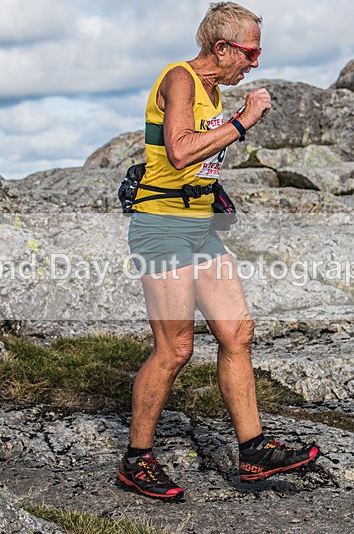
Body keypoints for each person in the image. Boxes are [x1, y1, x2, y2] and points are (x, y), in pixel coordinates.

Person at [116, 2, 319, 501]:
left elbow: (191, 162)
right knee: (176, 349)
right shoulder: (181, 78)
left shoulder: (210, 90)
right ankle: (136, 460)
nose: (255, 63)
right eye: (250, 52)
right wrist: (244, 121)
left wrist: (212, 190)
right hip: (161, 227)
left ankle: (252, 453)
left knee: (237, 331)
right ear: (222, 48)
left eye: (259, 52)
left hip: (199, 227)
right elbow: (181, 149)